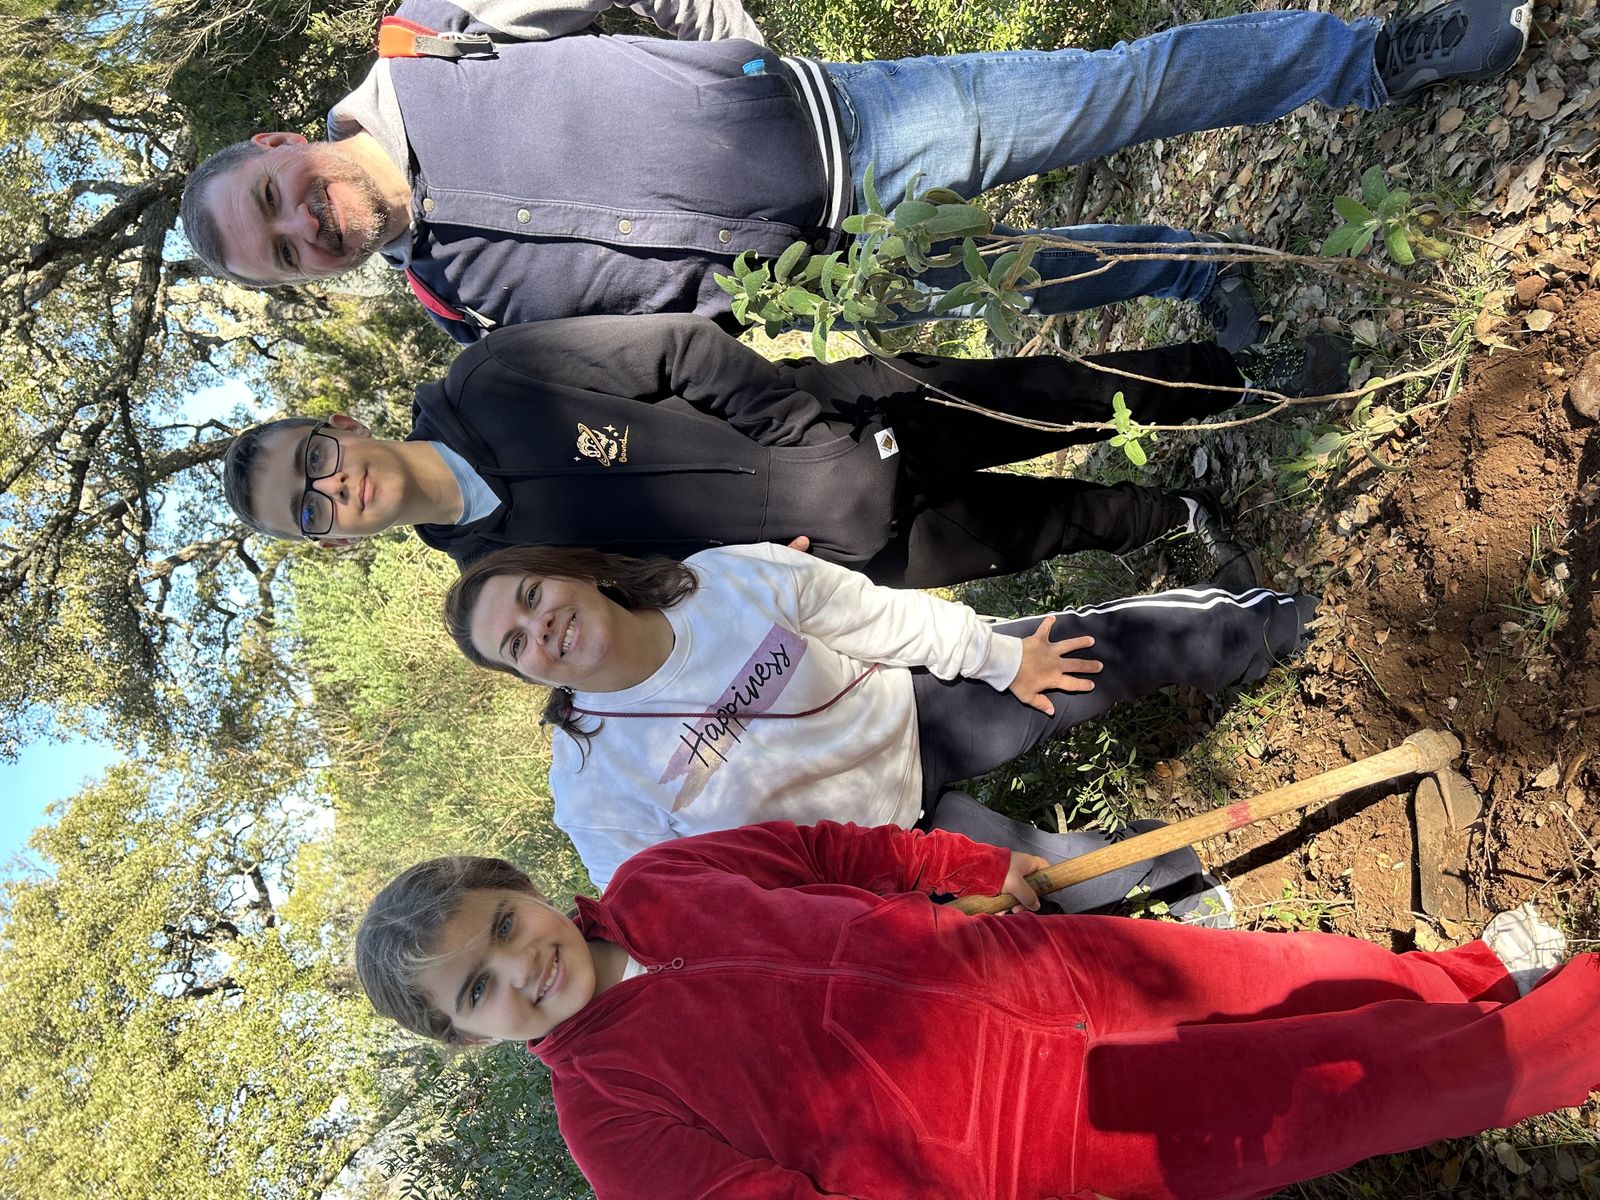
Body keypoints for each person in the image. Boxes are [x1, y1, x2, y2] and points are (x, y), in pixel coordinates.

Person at [178, 0, 1533, 347]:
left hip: (858, 129)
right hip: (829, 278)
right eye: (286, 255)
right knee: (1032, 278)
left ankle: (1376, 58)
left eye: (273, 204)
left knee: (1117, 91)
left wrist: (741, 68)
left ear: (281, 148)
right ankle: (1191, 267)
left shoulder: (430, 38)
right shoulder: (449, 294)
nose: (303, 228)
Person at [353, 821, 1596, 1199]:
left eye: (504, 926)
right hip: (1048, 1139)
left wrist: (946, 861)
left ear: (523, 892)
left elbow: (817, 851)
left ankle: (1473, 980)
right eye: (478, 988)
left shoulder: (659, 879)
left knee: (1297, 980)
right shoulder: (611, 1129)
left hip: (1046, 971)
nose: (519, 967)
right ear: (471, 1038)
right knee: (1345, 1090)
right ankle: (1562, 1039)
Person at [441, 539, 1316, 897]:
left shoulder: (715, 581)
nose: (541, 626)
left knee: (1108, 648)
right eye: (515, 643)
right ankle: (1174, 871)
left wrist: (1003, 659)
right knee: (1057, 888)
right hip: (882, 853)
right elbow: (679, 902)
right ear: (523, 676)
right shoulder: (592, 787)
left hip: (917, 709)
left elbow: (873, 614)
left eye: (530, 596)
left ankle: (1277, 626)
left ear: (568, 572)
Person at [221, 314, 1345, 584]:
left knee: (1048, 398)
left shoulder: (491, 379)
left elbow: (676, 349)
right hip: (849, 550)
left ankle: (1240, 377)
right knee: (1038, 531)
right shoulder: (496, 581)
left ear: (342, 426)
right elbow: (654, 601)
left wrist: (805, 430)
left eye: (312, 462)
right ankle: (1177, 518)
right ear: (323, 540)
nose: (331, 490)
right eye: (304, 512)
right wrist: (778, 574)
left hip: (855, 419)